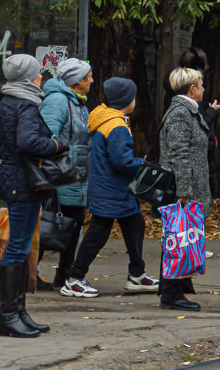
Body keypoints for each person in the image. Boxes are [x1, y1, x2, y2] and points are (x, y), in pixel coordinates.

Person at [62, 77, 157, 298]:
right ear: (126, 100)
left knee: (135, 224)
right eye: (133, 96)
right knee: (98, 232)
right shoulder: (116, 126)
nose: (135, 100)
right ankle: (74, 278)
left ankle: (137, 274)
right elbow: (122, 161)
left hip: (111, 188)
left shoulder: (107, 119)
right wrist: (142, 164)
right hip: (112, 189)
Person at [0, 54, 65, 338]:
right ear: (28, 77)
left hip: (14, 179)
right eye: (38, 73)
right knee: (18, 247)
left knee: (21, 247)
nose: (41, 77)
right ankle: (8, 315)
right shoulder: (25, 103)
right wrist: (56, 144)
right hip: (23, 182)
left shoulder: (8, 100)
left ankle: (17, 312)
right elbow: (27, 142)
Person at [157, 67, 211, 311]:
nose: (203, 89)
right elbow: (179, 153)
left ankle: (175, 288)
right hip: (181, 187)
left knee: (180, 237)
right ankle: (171, 293)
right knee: (177, 239)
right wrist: (184, 190)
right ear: (192, 89)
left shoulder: (187, 110)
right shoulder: (181, 113)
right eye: (201, 85)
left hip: (186, 184)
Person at [36, 58, 92, 291]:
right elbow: (45, 137)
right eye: (88, 77)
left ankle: (64, 273)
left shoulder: (78, 102)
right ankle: (28, 272)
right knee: (50, 224)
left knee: (73, 223)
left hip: (75, 176)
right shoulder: (58, 101)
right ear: (77, 81)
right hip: (60, 176)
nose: (91, 80)